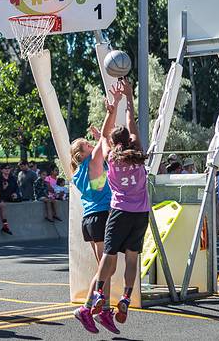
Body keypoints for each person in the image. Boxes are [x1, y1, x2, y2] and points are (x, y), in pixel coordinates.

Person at [83, 79, 148, 335]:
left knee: (108, 255)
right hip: (140, 214)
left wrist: (113, 108)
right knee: (132, 258)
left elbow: (104, 136)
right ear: (130, 140)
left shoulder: (111, 157)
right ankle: (126, 298)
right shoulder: (138, 153)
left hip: (119, 211)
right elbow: (131, 121)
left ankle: (99, 293)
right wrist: (129, 97)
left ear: (114, 141)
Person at [69, 105, 114, 334]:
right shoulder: (92, 163)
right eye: (87, 144)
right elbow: (106, 139)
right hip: (101, 216)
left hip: (89, 219)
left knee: (106, 269)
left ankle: (104, 309)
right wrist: (110, 112)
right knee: (106, 269)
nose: (91, 144)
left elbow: (104, 145)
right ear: (83, 154)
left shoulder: (78, 172)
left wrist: (99, 139)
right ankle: (86, 308)